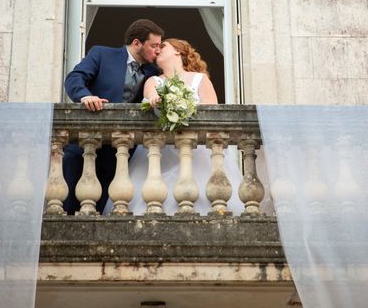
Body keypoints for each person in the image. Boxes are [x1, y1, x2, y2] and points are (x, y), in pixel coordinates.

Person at [104, 38, 244, 215]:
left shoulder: (200, 80)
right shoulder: (153, 80)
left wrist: (185, 110)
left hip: (197, 154)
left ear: (178, 51)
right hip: (159, 152)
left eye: (162, 46)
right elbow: (151, 95)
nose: (157, 50)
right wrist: (158, 100)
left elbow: (213, 115)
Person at [62, 19, 164, 214]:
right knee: (69, 205)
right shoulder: (102, 54)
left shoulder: (153, 72)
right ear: (136, 43)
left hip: (120, 151)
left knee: (105, 209)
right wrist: (85, 96)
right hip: (85, 144)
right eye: (154, 45)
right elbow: (74, 77)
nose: (158, 50)